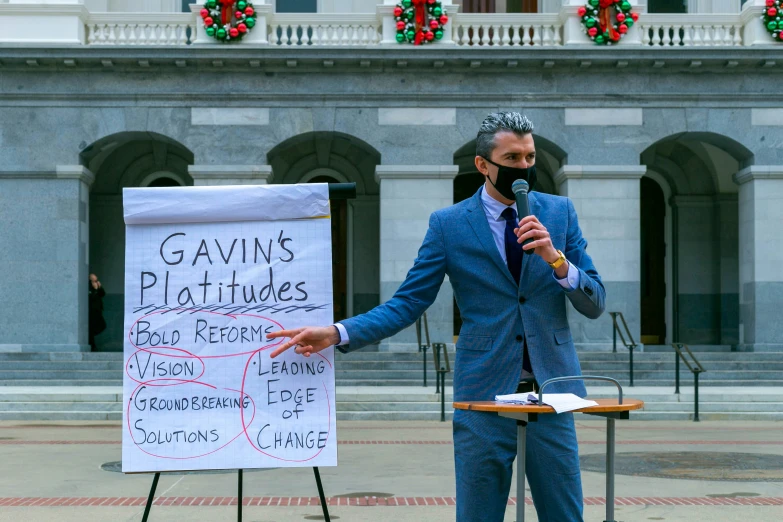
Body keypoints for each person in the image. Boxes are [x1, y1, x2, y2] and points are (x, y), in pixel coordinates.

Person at [268, 112, 605, 522]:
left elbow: (595, 301)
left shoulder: (559, 213)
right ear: (483, 165)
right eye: (512, 158)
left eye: (530, 157)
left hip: (554, 390)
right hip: (483, 393)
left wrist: (556, 260)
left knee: (565, 514)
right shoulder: (449, 225)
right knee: (478, 514)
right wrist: (338, 332)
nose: (523, 169)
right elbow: (408, 302)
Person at [88, 273, 106, 351]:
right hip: (92, 311)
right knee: (91, 328)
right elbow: (91, 298)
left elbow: (102, 294)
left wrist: (99, 287)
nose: (96, 281)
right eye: (94, 280)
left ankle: (90, 338)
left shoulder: (96, 286)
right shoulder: (88, 287)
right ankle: (92, 345)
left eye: (96, 280)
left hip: (98, 310)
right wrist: (95, 290)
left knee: (102, 325)